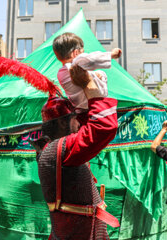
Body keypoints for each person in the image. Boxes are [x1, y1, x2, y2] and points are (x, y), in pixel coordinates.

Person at [32, 65, 118, 239]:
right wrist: (89, 85)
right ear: (63, 123)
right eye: (75, 119)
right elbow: (103, 126)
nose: (80, 123)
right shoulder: (58, 150)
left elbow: (87, 127)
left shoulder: (53, 148)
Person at [53, 32, 121, 112]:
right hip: (93, 107)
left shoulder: (60, 73)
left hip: (79, 110)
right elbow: (92, 60)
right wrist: (111, 54)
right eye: (83, 53)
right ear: (76, 53)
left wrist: (95, 74)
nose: (85, 56)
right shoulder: (76, 64)